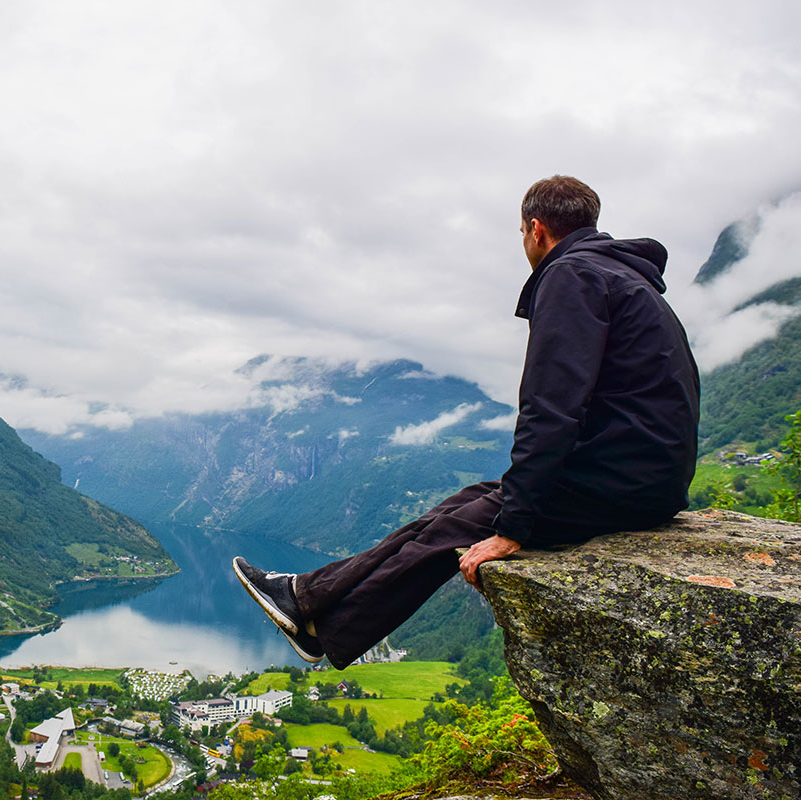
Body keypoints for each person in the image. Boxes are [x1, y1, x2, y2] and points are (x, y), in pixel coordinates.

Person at [233, 175, 700, 669]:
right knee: (468, 499)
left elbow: (551, 406)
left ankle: (326, 628)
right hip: (642, 476)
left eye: (521, 232)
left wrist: (513, 528)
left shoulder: (573, 277)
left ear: (536, 229)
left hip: (624, 482)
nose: (524, 242)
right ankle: (307, 598)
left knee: (462, 526)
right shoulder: (621, 277)